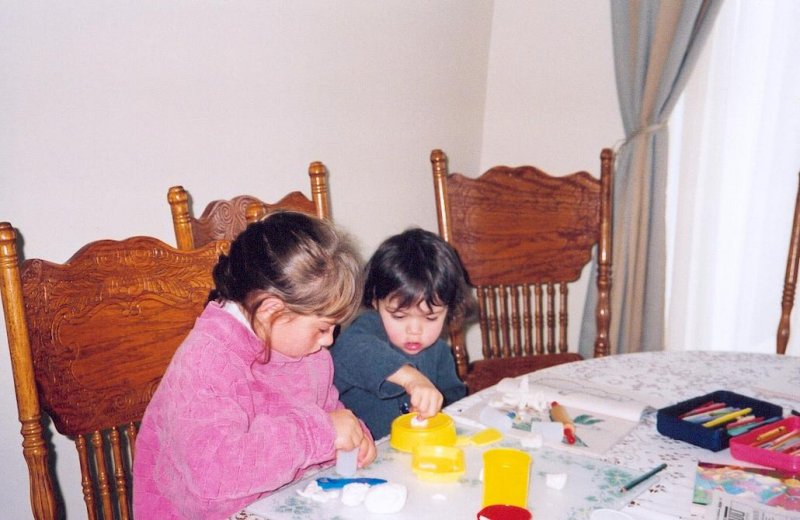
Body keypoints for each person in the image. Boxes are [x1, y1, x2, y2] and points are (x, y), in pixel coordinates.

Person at [133, 211, 377, 519]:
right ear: (271, 311)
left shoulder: (307, 351)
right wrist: (322, 433)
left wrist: (351, 436)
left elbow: (327, 414)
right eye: (322, 328)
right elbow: (214, 473)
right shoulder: (206, 361)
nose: (329, 340)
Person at [331, 228, 471, 439]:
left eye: (430, 318)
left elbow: (454, 399)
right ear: (376, 301)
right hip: (365, 449)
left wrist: (438, 409)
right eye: (399, 316)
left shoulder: (440, 351)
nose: (414, 330)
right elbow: (352, 349)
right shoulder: (367, 330)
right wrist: (412, 379)